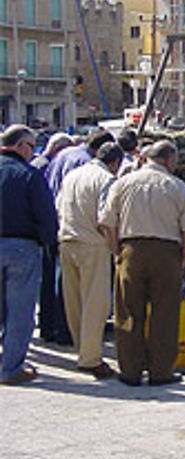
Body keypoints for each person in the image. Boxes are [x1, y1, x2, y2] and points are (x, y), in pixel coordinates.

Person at [98, 139, 185, 386]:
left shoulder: (123, 183)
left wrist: (117, 252)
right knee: (164, 313)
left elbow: (106, 223)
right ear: (168, 160)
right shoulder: (178, 187)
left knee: (128, 312)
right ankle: (160, 372)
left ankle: (130, 371)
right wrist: (184, 257)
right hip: (167, 252)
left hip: (130, 248)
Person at [39, 127, 114, 346]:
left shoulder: (64, 155)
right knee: (89, 296)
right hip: (86, 237)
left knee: (57, 285)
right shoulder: (87, 165)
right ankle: (81, 342)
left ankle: (52, 328)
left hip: (60, 229)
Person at [56, 141, 124, 379]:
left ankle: (83, 351)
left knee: (74, 302)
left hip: (66, 241)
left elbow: (59, 206)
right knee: (96, 304)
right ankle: (90, 359)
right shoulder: (106, 180)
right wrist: (116, 249)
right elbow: (105, 218)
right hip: (92, 244)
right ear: (115, 163)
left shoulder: (73, 176)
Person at [0, 125, 58, 384]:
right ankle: (11, 367)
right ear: (20, 146)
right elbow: (46, 216)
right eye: (31, 146)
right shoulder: (29, 175)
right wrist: (46, 243)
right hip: (21, 247)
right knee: (20, 311)